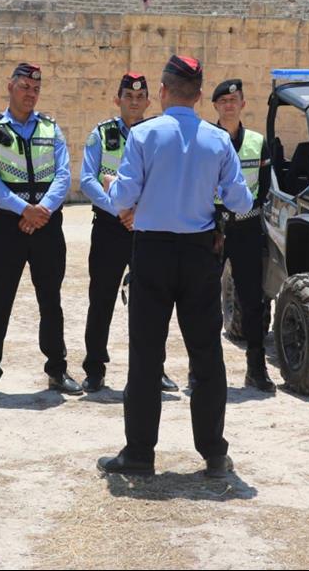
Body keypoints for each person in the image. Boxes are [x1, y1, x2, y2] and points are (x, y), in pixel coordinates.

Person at [97, 54, 252, 479]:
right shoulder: (218, 140)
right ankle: (214, 454)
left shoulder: (143, 135)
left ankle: (139, 454)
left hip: (153, 252)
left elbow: (123, 198)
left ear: (163, 91)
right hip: (200, 254)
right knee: (206, 355)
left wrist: (111, 186)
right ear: (200, 96)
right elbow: (241, 201)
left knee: (146, 355)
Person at [0, 62, 81, 400]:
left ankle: (57, 369)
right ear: (10, 87)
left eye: (36, 89)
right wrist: (25, 210)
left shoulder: (52, 128)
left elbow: (63, 175)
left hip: (46, 223)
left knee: (51, 300)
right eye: (24, 87)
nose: (30, 94)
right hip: (7, 225)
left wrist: (41, 211)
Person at [78, 72, 177, 394]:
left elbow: (165, 179)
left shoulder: (157, 135)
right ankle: (95, 368)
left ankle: (154, 368)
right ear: (117, 99)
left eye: (140, 97)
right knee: (102, 298)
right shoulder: (101, 134)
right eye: (128, 96)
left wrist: (140, 212)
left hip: (147, 228)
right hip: (110, 227)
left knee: (151, 302)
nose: (134, 102)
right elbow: (88, 179)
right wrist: (118, 209)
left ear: (148, 101)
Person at [212, 78, 275, 392]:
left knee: (252, 301)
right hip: (213, 228)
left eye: (233, 101)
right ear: (215, 106)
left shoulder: (257, 141)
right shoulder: (206, 139)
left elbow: (264, 187)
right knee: (205, 300)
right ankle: (203, 369)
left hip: (248, 228)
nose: (229, 106)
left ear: (243, 104)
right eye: (223, 101)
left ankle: (256, 369)